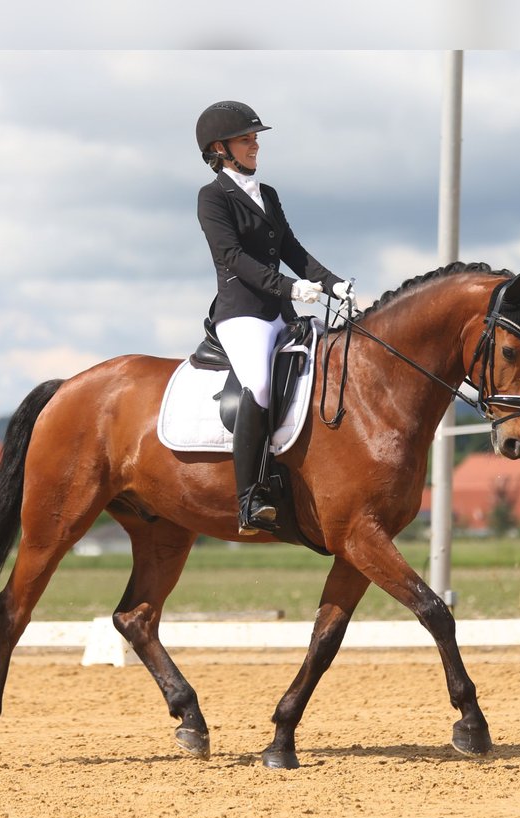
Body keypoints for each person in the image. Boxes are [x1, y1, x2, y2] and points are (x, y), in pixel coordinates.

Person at [195, 100, 355, 536]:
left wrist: (334, 283)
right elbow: (232, 257)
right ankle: (249, 499)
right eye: (247, 139)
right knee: (260, 383)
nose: (255, 145)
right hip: (242, 314)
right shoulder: (212, 197)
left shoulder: (267, 194)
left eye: (255, 138)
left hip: (280, 312)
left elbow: (293, 251)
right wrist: (290, 288)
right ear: (220, 148)